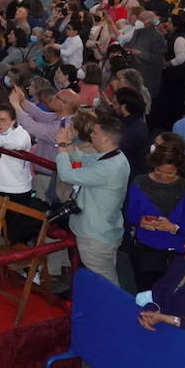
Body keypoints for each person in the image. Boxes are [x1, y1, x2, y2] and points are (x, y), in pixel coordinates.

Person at [55, 114, 130, 286]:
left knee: (106, 285)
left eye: (95, 133)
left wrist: (61, 146)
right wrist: (69, 142)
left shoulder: (110, 167)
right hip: (103, 231)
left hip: (95, 236)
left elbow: (67, 175)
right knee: (102, 280)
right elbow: (82, 159)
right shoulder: (113, 156)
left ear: (105, 138)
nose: (91, 135)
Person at [125, 137, 185, 290]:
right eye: (158, 170)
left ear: (178, 168)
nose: (163, 176)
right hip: (146, 252)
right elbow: (130, 215)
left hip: (174, 255)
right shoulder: (139, 183)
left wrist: (173, 228)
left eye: (169, 173)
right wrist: (140, 221)